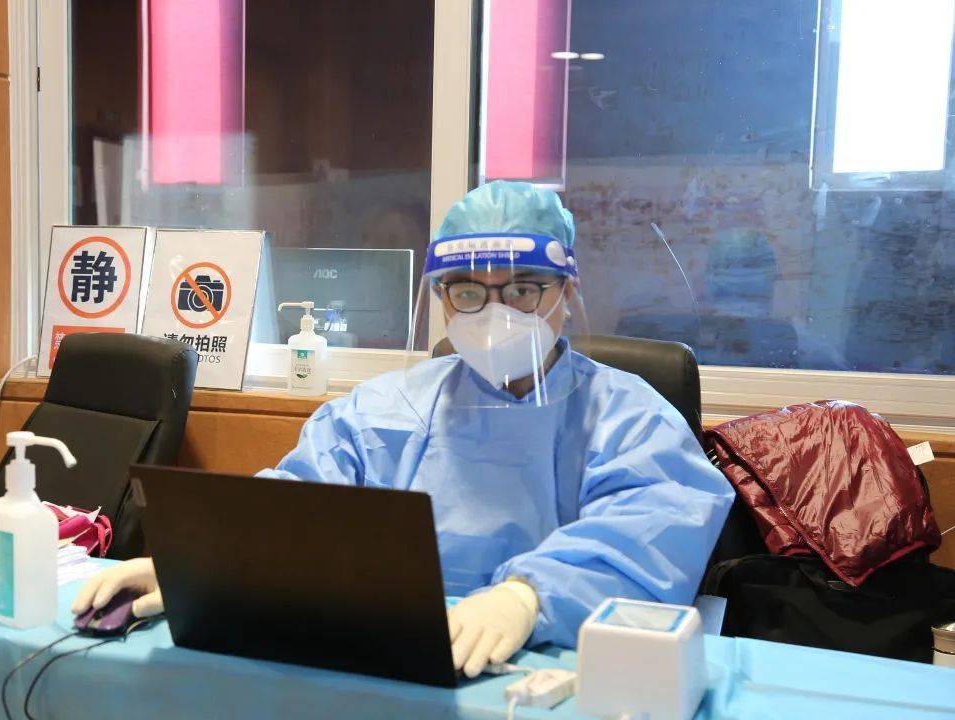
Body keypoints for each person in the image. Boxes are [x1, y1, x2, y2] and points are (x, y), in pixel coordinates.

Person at [73, 181, 734, 678]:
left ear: (566, 290)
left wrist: (528, 597)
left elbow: (656, 531)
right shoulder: (383, 411)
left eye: (523, 290)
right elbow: (292, 508)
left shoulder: (628, 417)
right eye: (468, 291)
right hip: (397, 667)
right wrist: (200, 562)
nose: (495, 311)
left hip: (561, 670)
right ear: (442, 299)